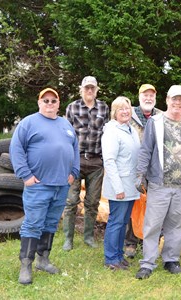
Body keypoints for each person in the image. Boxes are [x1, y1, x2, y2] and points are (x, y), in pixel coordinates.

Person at [10, 88, 79, 284]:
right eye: (46, 100)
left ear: (58, 104)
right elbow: (16, 149)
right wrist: (26, 176)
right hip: (38, 185)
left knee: (50, 224)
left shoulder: (65, 124)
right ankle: (26, 264)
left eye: (53, 100)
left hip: (61, 186)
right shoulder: (28, 123)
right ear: (39, 103)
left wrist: (73, 173)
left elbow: (74, 148)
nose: (49, 104)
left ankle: (44, 260)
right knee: (33, 224)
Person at [134, 85, 181, 280]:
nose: (177, 103)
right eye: (174, 99)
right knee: (153, 224)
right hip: (159, 184)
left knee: (177, 225)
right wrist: (140, 174)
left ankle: (171, 260)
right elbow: (146, 150)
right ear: (167, 100)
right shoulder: (155, 122)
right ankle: (148, 263)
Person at [62, 76, 110, 250]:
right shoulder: (72, 107)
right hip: (76, 161)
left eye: (92, 88)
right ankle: (68, 239)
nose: (89, 91)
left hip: (96, 162)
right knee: (71, 201)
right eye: (86, 88)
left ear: (97, 90)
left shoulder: (104, 108)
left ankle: (89, 237)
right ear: (81, 89)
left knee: (92, 202)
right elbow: (66, 136)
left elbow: (108, 133)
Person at [101, 96, 140, 271]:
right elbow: (109, 161)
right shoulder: (112, 131)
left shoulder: (130, 129)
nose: (125, 111)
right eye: (120, 109)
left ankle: (118, 255)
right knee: (116, 221)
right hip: (120, 186)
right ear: (114, 113)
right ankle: (111, 258)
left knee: (123, 222)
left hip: (131, 184)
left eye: (127, 108)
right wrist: (118, 188)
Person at [124, 83, 162, 259]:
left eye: (151, 96)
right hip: (133, 166)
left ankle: (150, 240)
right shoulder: (128, 114)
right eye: (145, 95)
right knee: (133, 205)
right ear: (139, 97)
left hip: (155, 169)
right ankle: (130, 242)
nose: (148, 98)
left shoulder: (162, 116)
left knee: (153, 205)